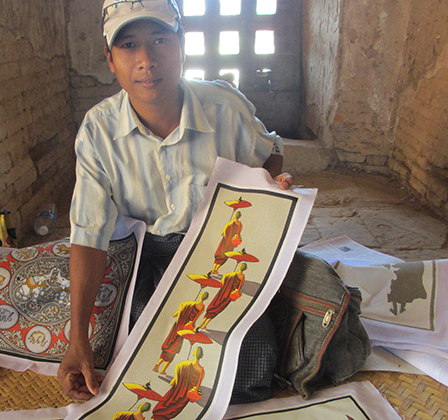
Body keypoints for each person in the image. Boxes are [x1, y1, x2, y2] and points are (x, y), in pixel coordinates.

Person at [58, 0, 293, 403]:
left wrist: (270, 187)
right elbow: (88, 233)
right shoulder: (98, 131)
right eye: (129, 45)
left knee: (250, 360)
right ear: (110, 60)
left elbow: (270, 151)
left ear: (182, 44)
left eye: (160, 40)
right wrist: (76, 338)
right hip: (144, 258)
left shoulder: (225, 108)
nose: (146, 60)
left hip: (218, 255)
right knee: (141, 354)